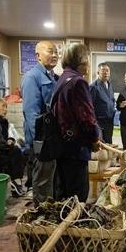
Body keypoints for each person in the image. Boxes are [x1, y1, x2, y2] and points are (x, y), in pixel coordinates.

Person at [53, 43, 101, 202]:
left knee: (63, 194)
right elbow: (87, 118)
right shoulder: (78, 82)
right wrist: (94, 139)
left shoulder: (63, 79)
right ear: (81, 60)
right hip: (76, 148)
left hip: (62, 146)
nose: (89, 62)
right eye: (87, 58)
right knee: (77, 197)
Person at [21, 40, 60, 204]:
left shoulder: (53, 77)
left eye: (56, 52)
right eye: (50, 51)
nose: (55, 55)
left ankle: (50, 212)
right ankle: (40, 214)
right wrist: (40, 144)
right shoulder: (32, 77)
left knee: (52, 180)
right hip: (42, 141)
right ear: (38, 56)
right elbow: (31, 115)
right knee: (43, 182)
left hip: (52, 139)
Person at [90, 62, 116, 144]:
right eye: (103, 70)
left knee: (109, 143)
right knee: (101, 145)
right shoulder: (94, 87)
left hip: (109, 122)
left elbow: (111, 101)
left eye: (107, 70)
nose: (106, 72)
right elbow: (90, 106)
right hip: (99, 122)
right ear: (98, 73)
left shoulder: (110, 85)